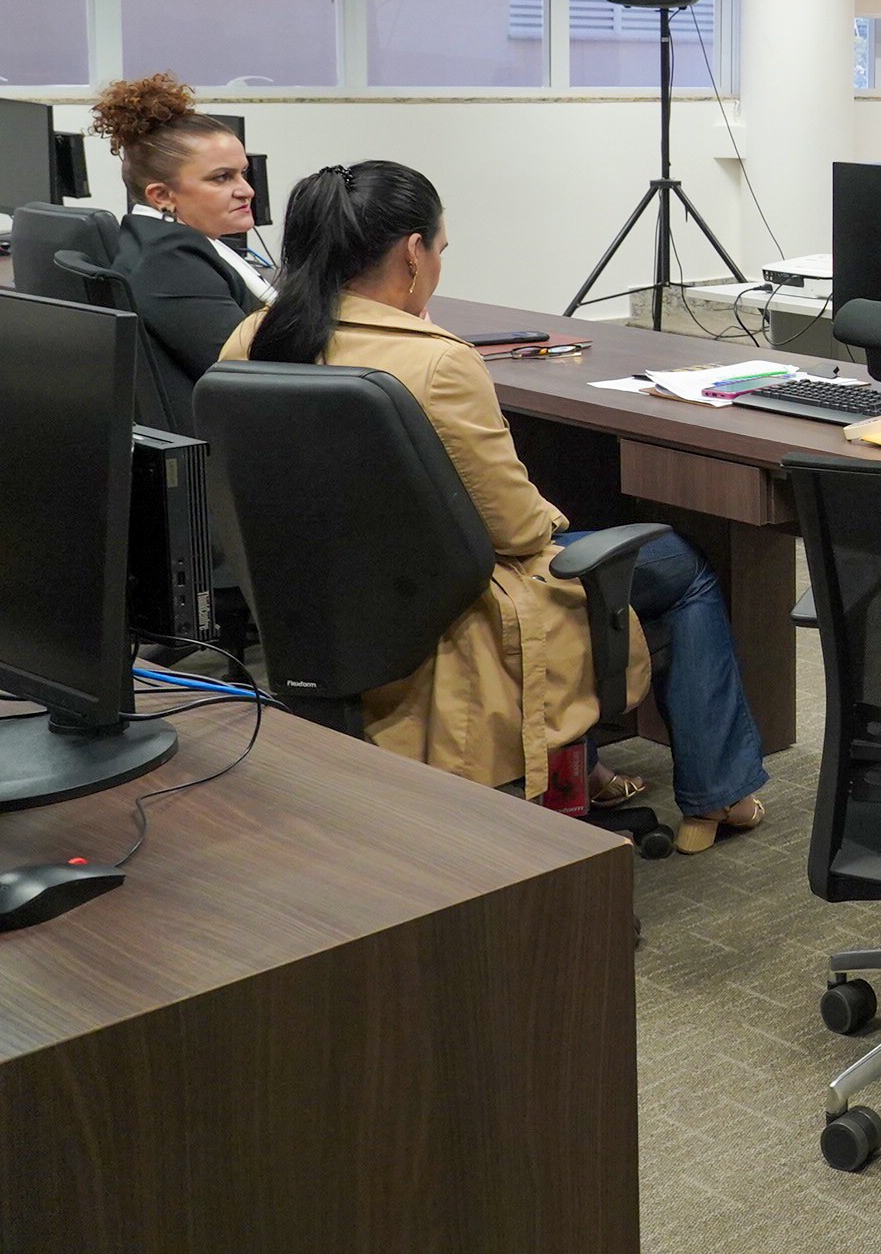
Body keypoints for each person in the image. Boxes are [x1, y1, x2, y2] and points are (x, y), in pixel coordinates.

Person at [219, 161, 768, 853]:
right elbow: (516, 530)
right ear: (412, 252)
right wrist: (556, 517)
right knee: (680, 564)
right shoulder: (438, 361)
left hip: (326, 606)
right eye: (440, 249)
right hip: (462, 607)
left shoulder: (253, 337)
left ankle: (591, 767)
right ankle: (718, 795)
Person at [92, 74, 272, 419]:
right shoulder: (170, 263)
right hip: (238, 436)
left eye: (242, 173)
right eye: (222, 177)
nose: (247, 190)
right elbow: (255, 374)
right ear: (161, 195)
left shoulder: (157, 238)